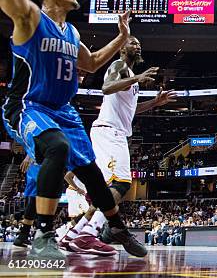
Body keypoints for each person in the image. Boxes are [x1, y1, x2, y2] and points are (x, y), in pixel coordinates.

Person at [0, 0, 146, 260]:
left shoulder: (72, 32)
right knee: (57, 149)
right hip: (28, 105)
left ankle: (117, 228)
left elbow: (93, 63)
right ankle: (43, 234)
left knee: (92, 172)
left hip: (63, 109)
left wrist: (122, 38)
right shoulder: (31, 18)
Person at [68, 36, 176, 253]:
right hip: (109, 132)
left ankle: (75, 232)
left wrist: (155, 102)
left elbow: (131, 111)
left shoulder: (129, 77)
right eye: (132, 42)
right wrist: (137, 78)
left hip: (111, 133)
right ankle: (91, 233)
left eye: (138, 43)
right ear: (121, 48)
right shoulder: (119, 66)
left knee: (106, 189)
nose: (137, 45)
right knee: (122, 183)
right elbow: (106, 88)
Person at [13, 155, 38, 248]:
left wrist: (28, 157)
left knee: (33, 201)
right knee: (39, 201)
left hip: (34, 166)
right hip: (40, 166)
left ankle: (23, 235)